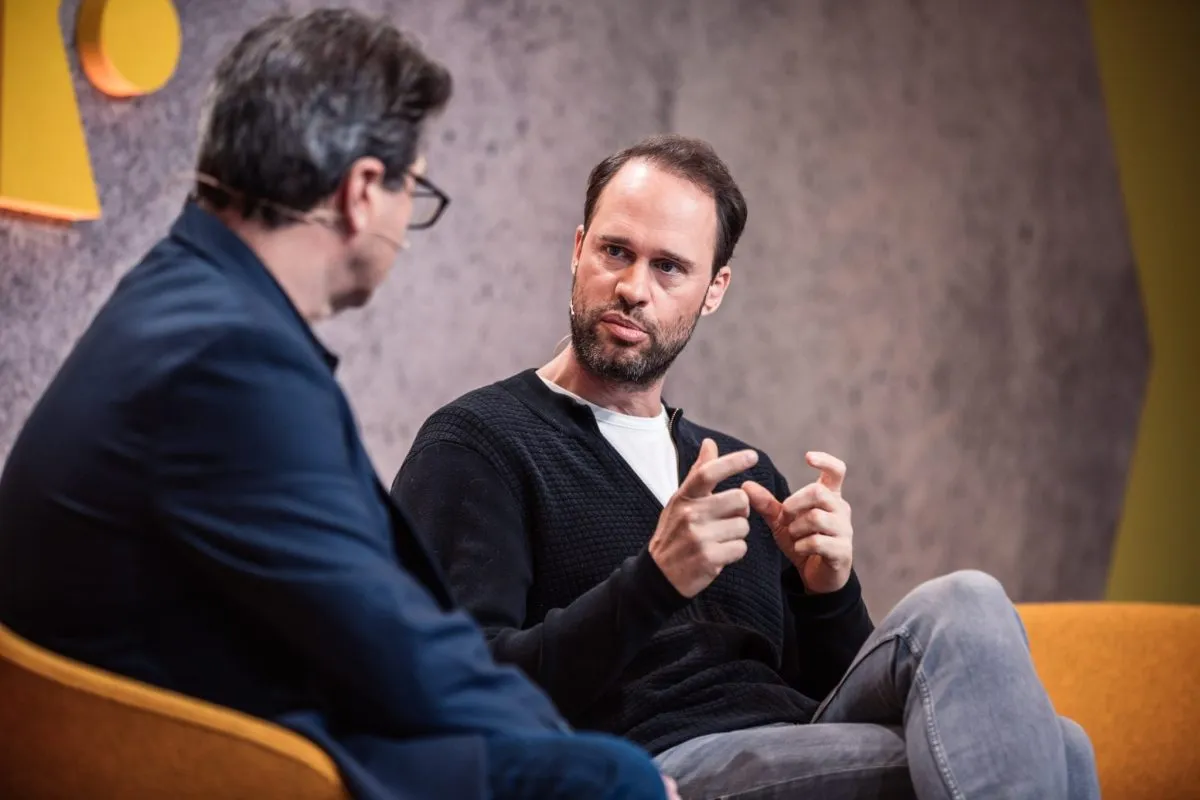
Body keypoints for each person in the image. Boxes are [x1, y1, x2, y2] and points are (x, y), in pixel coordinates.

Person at [0, 11, 678, 800]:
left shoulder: (181, 300)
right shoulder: (229, 361)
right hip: (218, 754)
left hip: (189, 720)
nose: (404, 223)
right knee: (614, 779)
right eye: (411, 188)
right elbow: (392, 643)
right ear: (361, 191)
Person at [391, 134, 1102, 799]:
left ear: (715, 289)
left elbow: (823, 693)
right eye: (615, 251)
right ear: (577, 251)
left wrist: (829, 593)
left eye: (669, 266)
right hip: (658, 768)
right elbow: (456, 693)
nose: (634, 287)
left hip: (793, 745)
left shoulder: (741, 472)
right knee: (1055, 752)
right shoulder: (479, 443)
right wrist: (653, 582)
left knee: (971, 606)